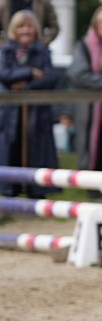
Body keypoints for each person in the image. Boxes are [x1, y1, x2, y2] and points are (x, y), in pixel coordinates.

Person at [0, 11, 60, 196]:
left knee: (36, 148)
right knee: (10, 147)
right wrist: (30, 72)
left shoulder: (42, 51)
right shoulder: (6, 50)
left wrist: (26, 86)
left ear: (35, 29)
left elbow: (51, 77)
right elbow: (4, 75)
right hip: (11, 112)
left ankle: (36, 189)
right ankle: (10, 188)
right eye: (20, 26)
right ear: (14, 29)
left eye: (29, 26)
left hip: (36, 111)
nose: (25, 30)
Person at [67, 6, 102, 171]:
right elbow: (77, 75)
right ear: (95, 24)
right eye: (101, 21)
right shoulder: (84, 46)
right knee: (91, 147)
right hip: (91, 109)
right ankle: (92, 185)